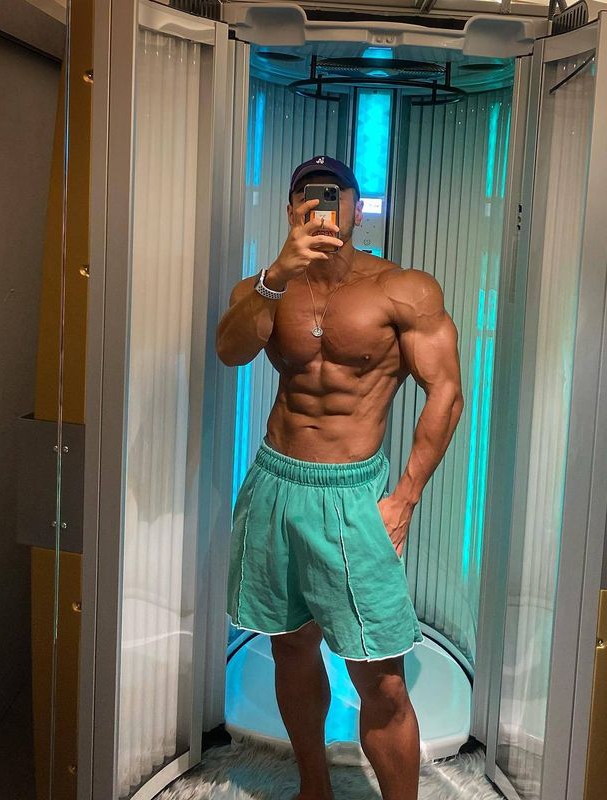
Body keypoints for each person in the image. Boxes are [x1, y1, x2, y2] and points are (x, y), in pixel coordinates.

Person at [216, 155, 464, 800]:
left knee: (380, 676)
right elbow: (230, 351)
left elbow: (446, 392)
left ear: (357, 208)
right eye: (309, 195)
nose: (323, 207)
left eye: (335, 195)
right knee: (290, 647)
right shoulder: (265, 287)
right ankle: (314, 789)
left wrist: (405, 497)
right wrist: (276, 276)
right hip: (275, 482)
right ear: (291, 209)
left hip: (353, 493)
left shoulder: (404, 289)